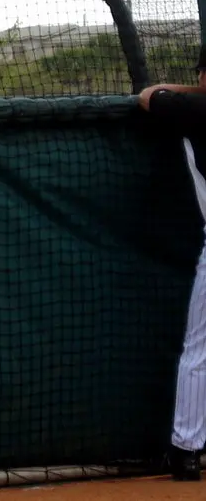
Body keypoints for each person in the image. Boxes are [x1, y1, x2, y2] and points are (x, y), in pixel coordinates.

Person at [139, 74, 206, 482]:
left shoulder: (193, 108)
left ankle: (186, 450)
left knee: (199, 350)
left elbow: (148, 96)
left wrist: (188, 89)